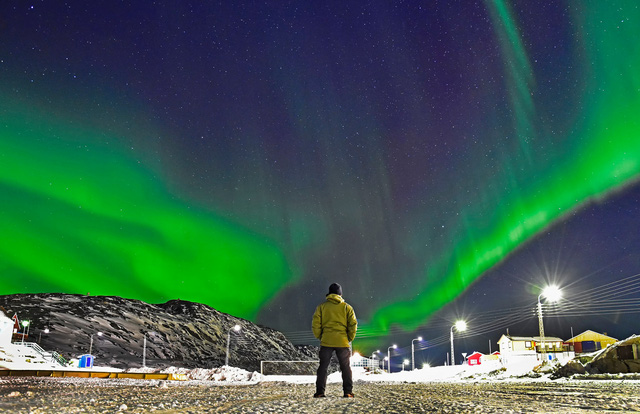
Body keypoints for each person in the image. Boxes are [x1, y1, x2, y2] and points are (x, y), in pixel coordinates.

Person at [311, 283, 358, 398]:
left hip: (326, 341)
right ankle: (347, 392)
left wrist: (320, 336)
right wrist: (349, 338)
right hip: (342, 342)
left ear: (329, 293)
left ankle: (320, 392)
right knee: (346, 367)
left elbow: (315, 324)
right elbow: (353, 325)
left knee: (323, 367)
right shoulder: (347, 307)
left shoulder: (322, 307)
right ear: (340, 294)